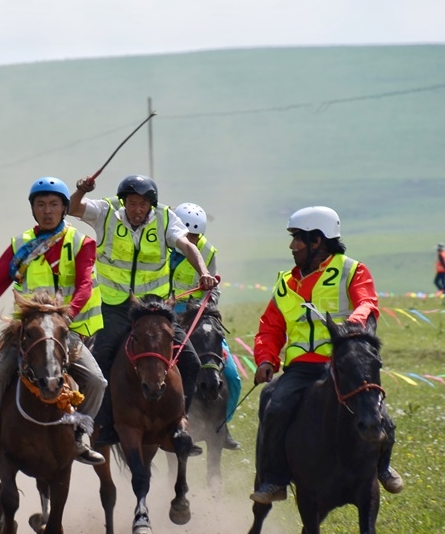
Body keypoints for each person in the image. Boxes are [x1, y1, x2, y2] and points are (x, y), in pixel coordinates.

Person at [249, 206, 403, 504]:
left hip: (341, 364)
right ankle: (275, 479)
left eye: (297, 239)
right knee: (274, 405)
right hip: (301, 368)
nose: (292, 246)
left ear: (317, 240)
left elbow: (367, 304)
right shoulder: (286, 282)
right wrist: (266, 359)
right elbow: (270, 326)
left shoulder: (351, 270)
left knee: (380, 412)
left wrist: (351, 326)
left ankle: (382, 467)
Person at [0, 177, 107, 465]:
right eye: (41, 205)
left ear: (63, 209)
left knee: (97, 381)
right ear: (33, 210)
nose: (47, 211)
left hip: (68, 332)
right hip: (28, 333)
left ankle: (79, 435)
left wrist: (67, 313)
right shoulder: (21, 245)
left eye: (53, 205)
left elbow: (85, 284)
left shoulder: (81, 243)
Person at [69, 175, 219, 450]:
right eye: (132, 203)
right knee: (101, 358)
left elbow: (187, 245)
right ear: (124, 202)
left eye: (143, 204)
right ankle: (105, 426)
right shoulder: (106, 212)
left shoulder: (165, 218)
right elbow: (74, 209)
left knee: (192, 363)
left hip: (154, 308)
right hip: (115, 306)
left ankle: (180, 425)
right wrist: (80, 190)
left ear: (152, 204)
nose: (138, 209)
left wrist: (204, 272)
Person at [170, 202, 241, 451]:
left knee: (232, 376)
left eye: (195, 235)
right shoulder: (159, 246)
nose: (191, 239)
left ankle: (223, 427)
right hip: (164, 317)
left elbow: (215, 289)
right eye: (186, 235)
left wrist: (207, 302)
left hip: (199, 316)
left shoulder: (208, 252)